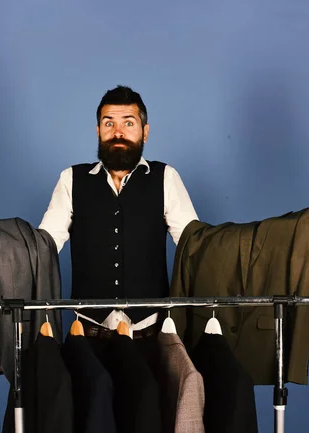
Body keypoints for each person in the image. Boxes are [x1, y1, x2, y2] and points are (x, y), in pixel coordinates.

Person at [39, 85, 198, 360]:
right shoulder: (71, 179)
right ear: (98, 130)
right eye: (108, 123)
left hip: (151, 339)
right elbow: (43, 245)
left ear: (145, 132)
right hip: (88, 339)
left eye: (128, 123)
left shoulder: (165, 178)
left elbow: (195, 247)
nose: (118, 132)